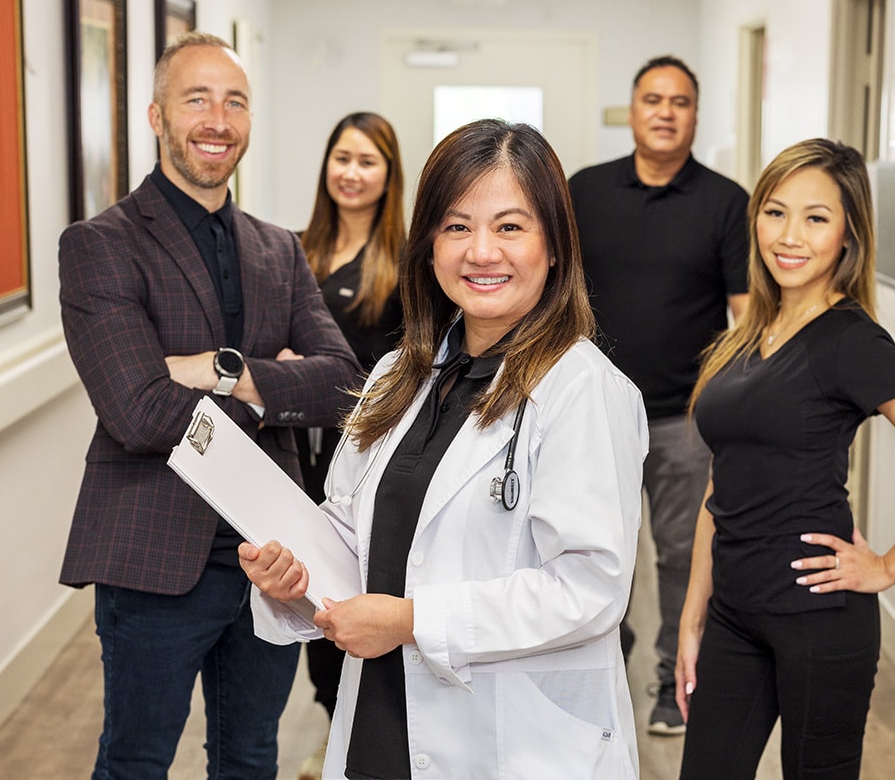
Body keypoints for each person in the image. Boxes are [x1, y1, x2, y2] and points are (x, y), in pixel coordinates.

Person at [241, 119, 649, 778]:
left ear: (554, 246)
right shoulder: (397, 374)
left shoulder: (585, 391)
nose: (481, 251)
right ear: (428, 243)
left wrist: (410, 621)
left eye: (510, 227)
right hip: (382, 718)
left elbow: (589, 589)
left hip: (514, 741)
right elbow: (350, 528)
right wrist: (293, 580)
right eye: (457, 226)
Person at [58, 32, 361, 779]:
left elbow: (343, 384)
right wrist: (273, 392)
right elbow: (137, 411)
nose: (217, 120)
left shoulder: (279, 248)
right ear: (157, 116)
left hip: (274, 555)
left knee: (251, 754)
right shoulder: (101, 245)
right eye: (197, 99)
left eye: (235, 102)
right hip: (156, 553)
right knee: (135, 759)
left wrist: (222, 373)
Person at [674, 138, 895, 779]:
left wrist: (888, 565)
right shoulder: (749, 332)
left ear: (847, 235)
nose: (790, 236)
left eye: (816, 218)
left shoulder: (851, 341)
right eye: (775, 211)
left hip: (818, 617)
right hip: (734, 610)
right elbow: (721, 482)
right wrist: (692, 613)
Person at [568, 54, 750, 735]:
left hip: (684, 421)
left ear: (696, 115)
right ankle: (598, 671)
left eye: (680, 101)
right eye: (653, 99)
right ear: (634, 109)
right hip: (593, 416)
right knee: (592, 551)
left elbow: (747, 315)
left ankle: (676, 682)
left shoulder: (726, 202)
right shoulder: (585, 191)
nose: (666, 111)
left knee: (682, 556)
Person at [293, 112, 407, 779]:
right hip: (301, 456)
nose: (352, 173)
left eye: (368, 161)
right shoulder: (297, 249)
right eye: (342, 157)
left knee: (357, 595)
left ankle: (363, 735)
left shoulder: (400, 264)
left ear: (389, 175)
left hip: (366, 456)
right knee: (309, 596)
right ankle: (334, 724)